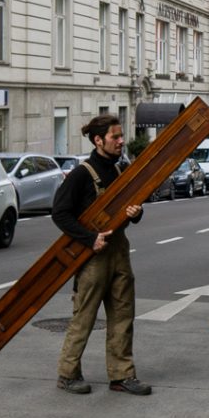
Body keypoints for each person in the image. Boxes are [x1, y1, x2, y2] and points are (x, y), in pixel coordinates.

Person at [51, 114, 151, 396]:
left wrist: (136, 213)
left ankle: (122, 376)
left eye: (121, 136)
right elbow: (60, 214)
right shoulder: (83, 173)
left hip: (119, 252)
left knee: (123, 315)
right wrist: (89, 239)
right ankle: (67, 374)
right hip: (92, 256)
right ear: (98, 140)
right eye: (115, 137)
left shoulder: (120, 172)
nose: (121, 141)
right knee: (84, 318)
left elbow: (129, 213)